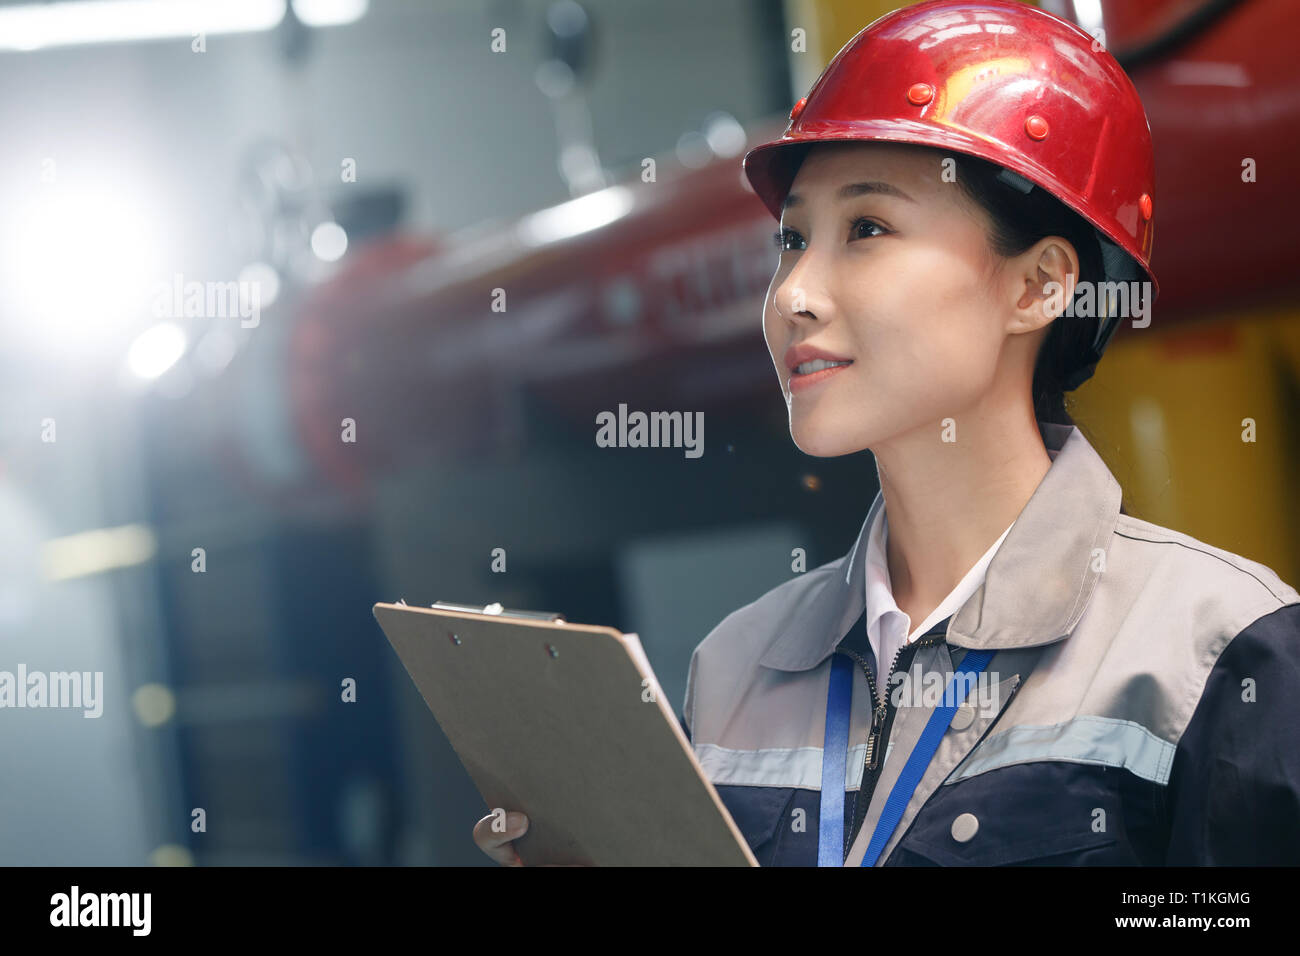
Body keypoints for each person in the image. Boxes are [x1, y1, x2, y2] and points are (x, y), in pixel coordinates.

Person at [475, 0, 1300, 866]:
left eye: (867, 229)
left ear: (1039, 287)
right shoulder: (738, 665)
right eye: (792, 240)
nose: (793, 293)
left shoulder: (1221, 649)